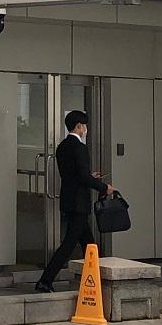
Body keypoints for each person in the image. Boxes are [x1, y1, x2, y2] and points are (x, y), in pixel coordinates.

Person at [34, 110, 112, 293]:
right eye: (84, 126)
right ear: (79, 126)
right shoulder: (80, 148)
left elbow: (74, 175)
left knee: (89, 244)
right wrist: (103, 187)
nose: (86, 130)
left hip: (69, 200)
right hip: (79, 202)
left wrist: (89, 176)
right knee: (69, 244)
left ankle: (94, 279)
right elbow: (83, 178)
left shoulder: (62, 147)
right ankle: (45, 280)